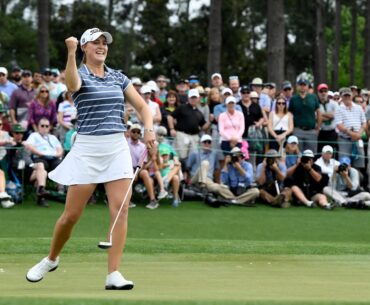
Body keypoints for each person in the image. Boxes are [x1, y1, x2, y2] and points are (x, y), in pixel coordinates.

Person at [26, 28, 155, 290]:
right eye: (95, 42)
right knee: (71, 216)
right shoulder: (79, 72)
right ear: (84, 47)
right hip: (87, 148)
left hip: (116, 147)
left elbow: (142, 107)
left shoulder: (118, 77)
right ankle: (51, 258)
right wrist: (71, 52)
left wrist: (149, 130)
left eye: (104, 42)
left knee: (120, 210)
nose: (102, 46)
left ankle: (113, 274)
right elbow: (72, 86)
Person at [168, 89, 207, 163]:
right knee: (181, 156)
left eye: (195, 97)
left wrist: (211, 121)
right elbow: (170, 117)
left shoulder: (199, 112)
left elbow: (203, 125)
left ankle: (188, 173)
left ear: (198, 99)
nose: (193, 99)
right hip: (182, 134)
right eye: (192, 97)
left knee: (192, 157)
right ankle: (180, 173)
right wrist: (172, 128)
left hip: (194, 137)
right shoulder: (182, 107)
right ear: (188, 98)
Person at [335, 87, 366, 170]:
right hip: (344, 139)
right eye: (345, 96)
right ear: (341, 96)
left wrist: (359, 134)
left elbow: (364, 122)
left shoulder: (359, 108)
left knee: (359, 163)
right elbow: (339, 125)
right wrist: (351, 133)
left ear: (351, 96)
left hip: (358, 138)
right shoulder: (339, 108)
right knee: (344, 164)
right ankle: (344, 182)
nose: (347, 98)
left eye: (348, 96)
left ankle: (357, 182)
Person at [288, 76, 321, 153]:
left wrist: (318, 128)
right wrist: (292, 128)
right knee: (298, 154)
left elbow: (319, 112)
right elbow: (289, 114)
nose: (302, 87)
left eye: (304, 85)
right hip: (298, 130)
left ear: (307, 86)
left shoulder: (313, 97)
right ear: (297, 86)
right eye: (300, 85)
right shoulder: (293, 99)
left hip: (311, 130)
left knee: (311, 154)